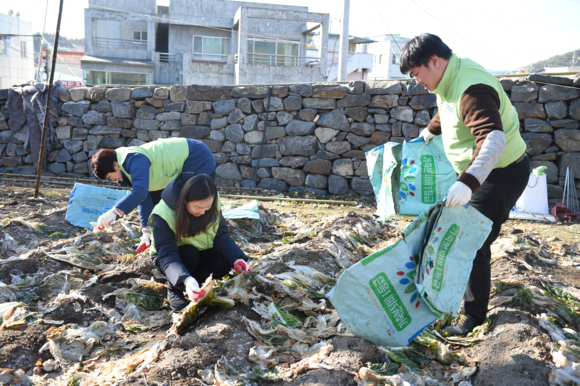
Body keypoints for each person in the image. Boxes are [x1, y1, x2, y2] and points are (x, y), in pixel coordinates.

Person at [399, 34, 530, 336]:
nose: (416, 80)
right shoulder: (448, 78)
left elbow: (492, 138)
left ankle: (473, 319)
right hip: (486, 171)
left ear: (435, 61)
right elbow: (449, 109)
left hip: (501, 172)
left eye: (416, 72)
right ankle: (460, 299)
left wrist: (468, 183)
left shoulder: (471, 87)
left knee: (473, 242)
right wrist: (430, 131)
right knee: (469, 237)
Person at [90, 138, 216, 253]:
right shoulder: (124, 169)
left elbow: (140, 192)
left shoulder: (133, 159)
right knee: (163, 208)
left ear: (114, 165)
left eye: (109, 176)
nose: (112, 180)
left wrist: (113, 212)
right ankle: (176, 243)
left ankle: (205, 241)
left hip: (196, 157)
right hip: (177, 169)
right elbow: (144, 198)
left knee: (189, 202)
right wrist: (146, 232)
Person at [149, 172, 250, 311]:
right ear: (184, 201)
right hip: (171, 258)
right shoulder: (164, 214)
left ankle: (194, 283)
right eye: (198, 208)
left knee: (222, 263)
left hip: (202, 250)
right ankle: (176, 286)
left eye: (208, 207)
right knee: (190, 254)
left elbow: (221, 236)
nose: (203, 212)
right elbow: (166, 254)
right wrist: (185, 279)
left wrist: (237, 259)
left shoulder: (211, 202)